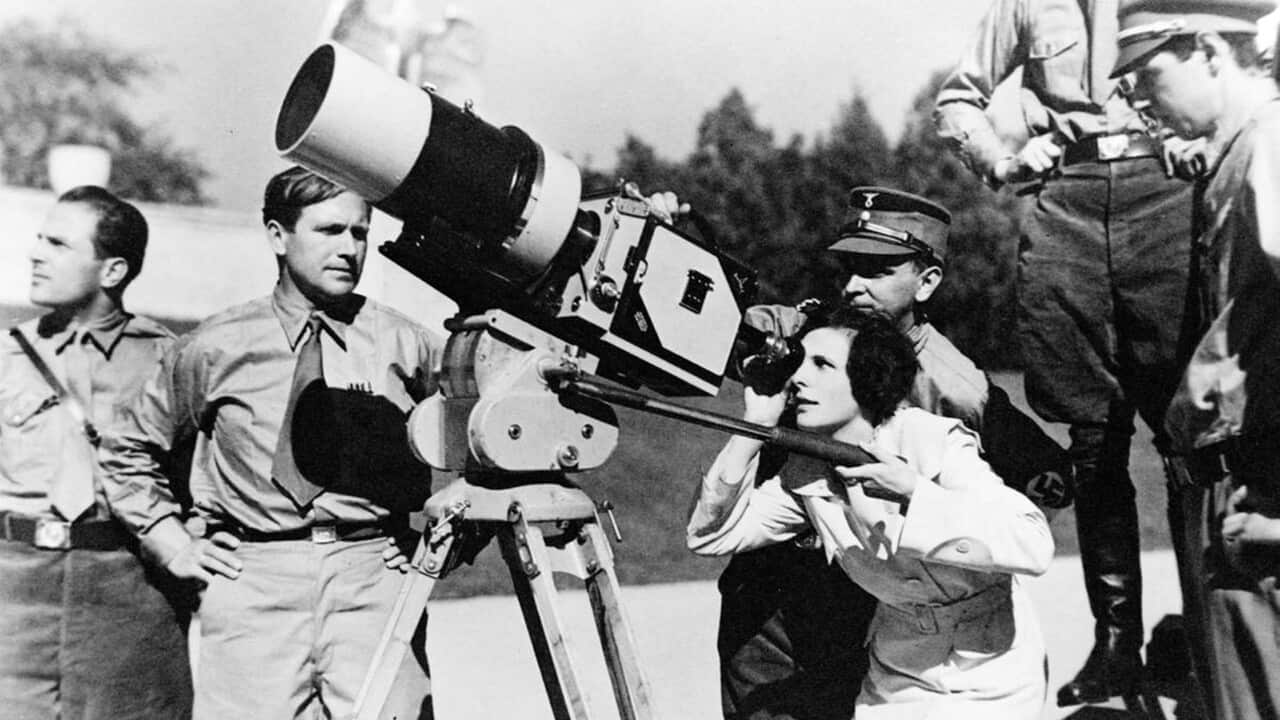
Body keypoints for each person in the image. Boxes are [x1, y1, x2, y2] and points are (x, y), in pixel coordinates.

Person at [653, 186, 1072, 720]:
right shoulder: (804, 332)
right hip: (770, 580)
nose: (853, 286)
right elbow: (699, 323)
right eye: (849, 268)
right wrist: (665, 247)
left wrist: (936, 540)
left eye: (876, 271)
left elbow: (1045, 486)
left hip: (875, 600)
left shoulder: (956, 390)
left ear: (927, 281)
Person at [100, 166, 440, 719]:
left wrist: (449, 537)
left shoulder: (406, 344)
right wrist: (172, 542)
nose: (349, 248)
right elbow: (126, 450)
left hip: (374, 577)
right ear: (278, 236)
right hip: (254, 583)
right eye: (329, 230)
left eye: (360, 232)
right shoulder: (216, 346)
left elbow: (488, 438)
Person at [933, 0, 1198, 705]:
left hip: (1166, 193)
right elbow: (958, 97)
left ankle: (1204, 633)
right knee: (1092, 435)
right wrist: (1003, 160)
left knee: (1186, 432)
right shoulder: (1024, 5)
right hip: (1067, 202)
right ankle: (1116, 647)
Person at [687, 307, 1055, 720]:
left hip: (992, 666)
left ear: (867, 379)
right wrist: (755, 426)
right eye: (800, 362)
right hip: (898, 670)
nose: (798, 378)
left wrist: (915, 492)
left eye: (822, 365)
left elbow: (1033, 541)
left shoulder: (931, 440)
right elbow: (711, 535)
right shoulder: (805, 472)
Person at [1111, 1, 1279, 716]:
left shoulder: (1269, 145)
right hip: (1237, 481)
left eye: (1149, 73)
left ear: (1209, 50)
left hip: (1260, 491)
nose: (1137, 98)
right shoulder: (1238, 152)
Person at [0, 186, 192, 718]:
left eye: (58, 244)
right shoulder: (6, 356)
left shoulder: (168, 362)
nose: (35, 254)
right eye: (39, 239)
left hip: (127, 593)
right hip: (14, 591)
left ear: (113, 271)